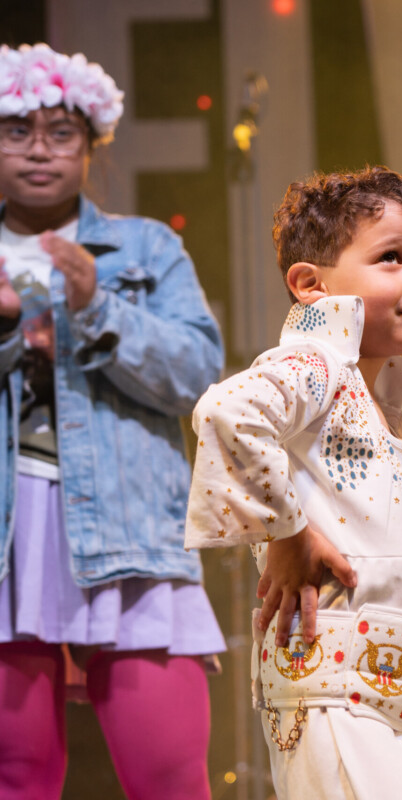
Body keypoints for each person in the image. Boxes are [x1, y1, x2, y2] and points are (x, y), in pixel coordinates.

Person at [185, 165, 402, 800]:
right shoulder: (316, 363)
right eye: (392, 257)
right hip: (334, 694)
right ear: (311, 285)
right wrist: (288, 535)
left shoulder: (375, 396)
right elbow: (227, 412)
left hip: (381, 705)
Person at [0, 43, 225, 800]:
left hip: (130, 532)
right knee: (16, 778)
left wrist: (97, 306)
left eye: (60, 133)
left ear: (90, 146)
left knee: (169, 778)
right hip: (7, 541)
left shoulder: (146, 248)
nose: (39, 150)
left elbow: (198, 375)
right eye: (17, 131)